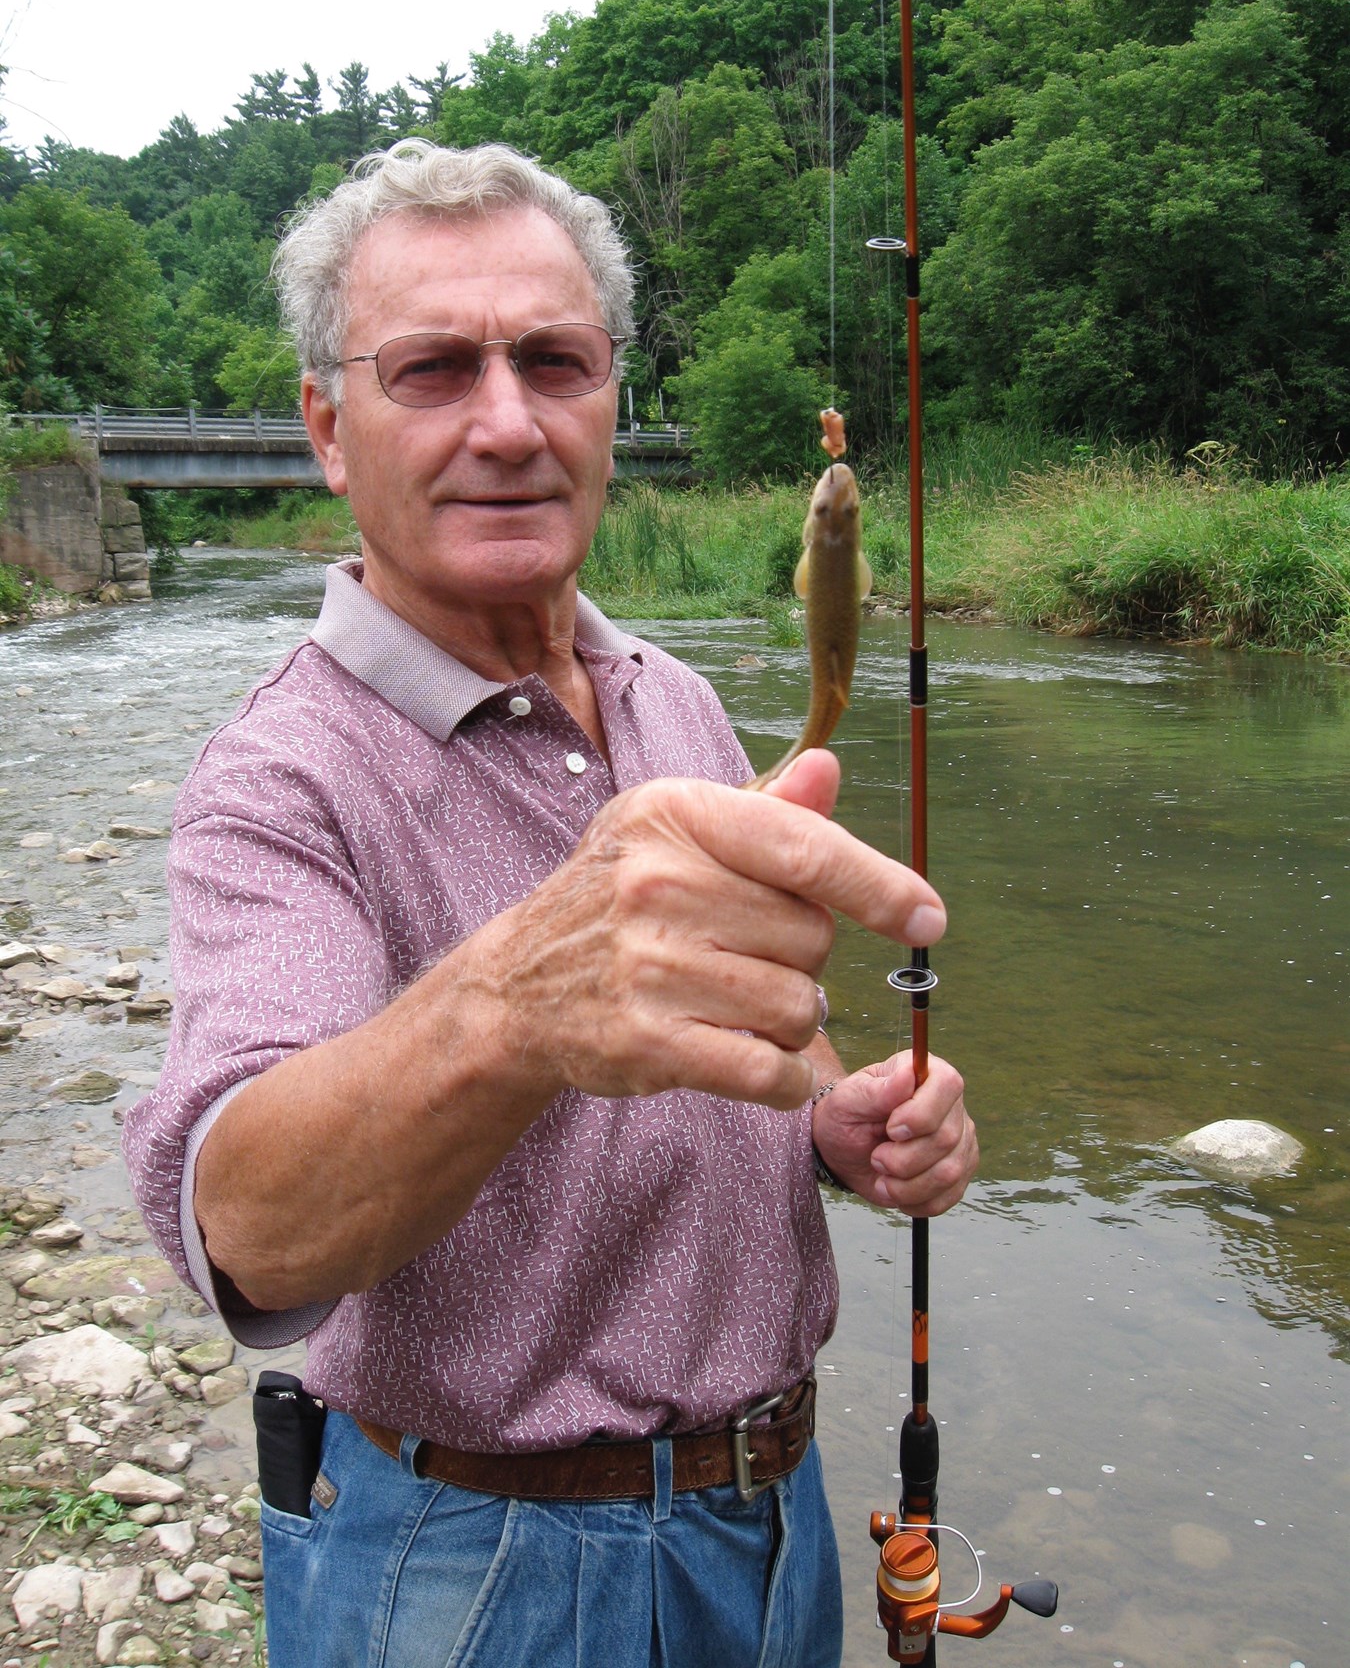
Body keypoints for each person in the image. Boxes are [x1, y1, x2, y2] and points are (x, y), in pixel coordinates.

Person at [124, 139, 978, 1668]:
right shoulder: (278, 779)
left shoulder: (682, 701)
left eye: (555, 363)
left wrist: (831, 1124)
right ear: (329, 428)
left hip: (774, 1519)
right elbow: (244, 1229)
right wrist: (517, 1003)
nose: (507, 422)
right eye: (433, 369)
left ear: (608, 402)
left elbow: (731, 1042)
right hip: (475, 1566)